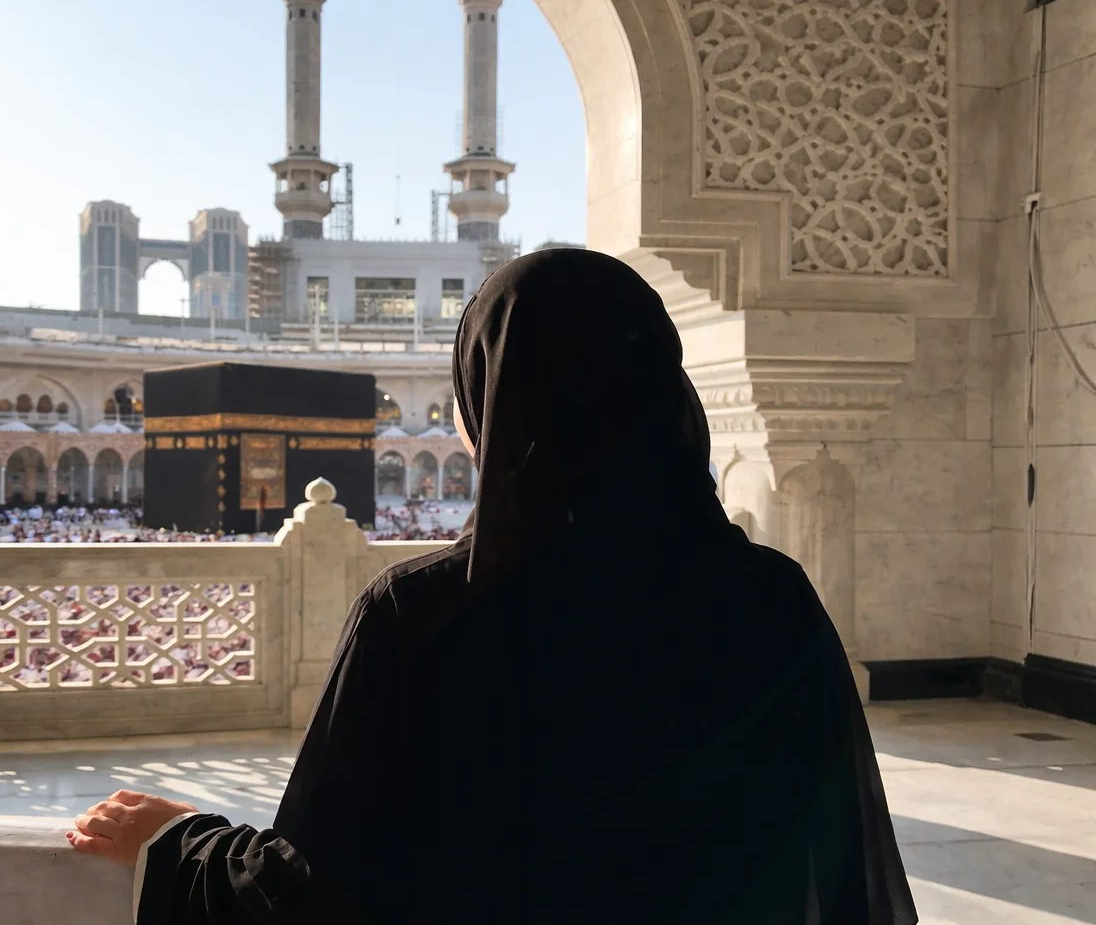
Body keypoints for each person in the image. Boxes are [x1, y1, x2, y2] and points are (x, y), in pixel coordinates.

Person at [68, 249, 917, 924]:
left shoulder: (424, 616)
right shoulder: (773, 599)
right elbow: (835, 863)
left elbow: (317, 894)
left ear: (494, 409)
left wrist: (181, 842)